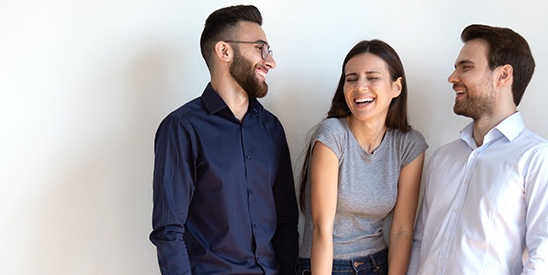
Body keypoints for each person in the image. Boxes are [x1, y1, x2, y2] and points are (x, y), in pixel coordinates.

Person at [407, 24, 548, 275]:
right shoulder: (442, 158)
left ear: (503, 75)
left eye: (466, 67)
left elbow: (545, 261)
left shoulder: (542, 159)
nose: (452, 78)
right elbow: (421, 241)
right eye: (456, 68)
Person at [150, 5, 298, 275]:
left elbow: (286, 221)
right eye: (259, 48)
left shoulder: (271, 128)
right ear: (224, 51)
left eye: (269, 51)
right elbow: (169, 231)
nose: (270, 61)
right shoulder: (182, 128)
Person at [297, 40, 428, 275]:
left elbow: (401, 230)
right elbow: (321, 228)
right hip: (327, 265)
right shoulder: (332, 135)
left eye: (372, 77)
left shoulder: (409, 144)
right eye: (351, 78)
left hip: (378, 263)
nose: (360, 87)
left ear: (396, 87)